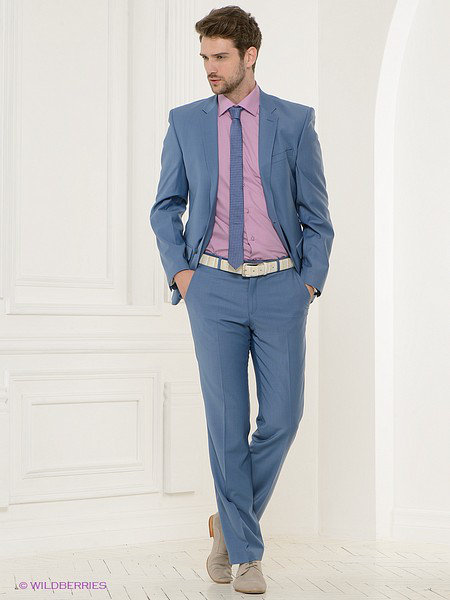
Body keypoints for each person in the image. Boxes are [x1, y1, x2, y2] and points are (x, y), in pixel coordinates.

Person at [150, 5, 334, 595]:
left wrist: (308, 282)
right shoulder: (186, 122)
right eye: (204, 57)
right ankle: (246, 556)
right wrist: (183, 274)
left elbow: (316, 215)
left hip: (281, 286)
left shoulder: (294, 122)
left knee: (282, 417)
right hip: (212, 289)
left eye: (220, 57)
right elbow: (165, 206)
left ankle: (227, 527)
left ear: (250, 56)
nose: (210, 67)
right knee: (227, 424)